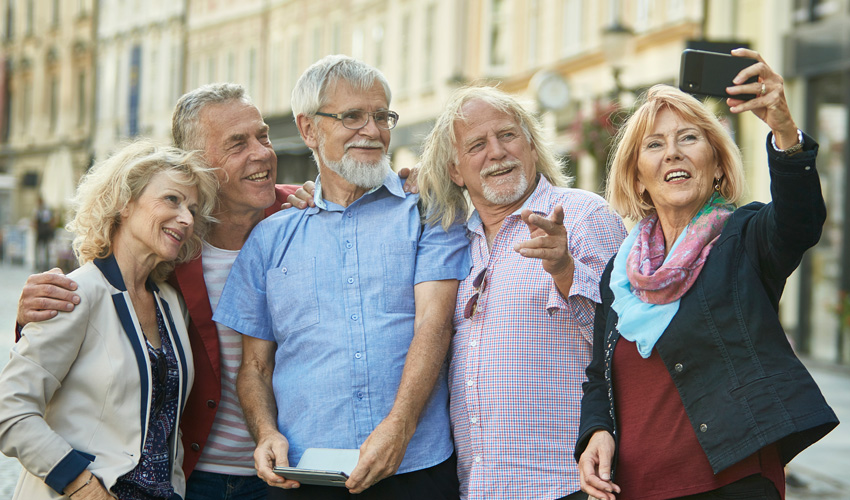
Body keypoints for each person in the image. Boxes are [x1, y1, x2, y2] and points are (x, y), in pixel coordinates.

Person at [576, 48, 839, 500]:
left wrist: (783, 130)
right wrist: (596, 431)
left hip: (731, 485)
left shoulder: (745, 238)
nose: (672, 153)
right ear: (638, 177)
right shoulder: (620, 271)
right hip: (634, 488)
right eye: (654, 145)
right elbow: (601, 375)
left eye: (689, 139)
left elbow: (800, 220)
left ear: (717, 164)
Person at [212, 54, 469, 500]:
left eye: (381, 116)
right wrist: (266, 432)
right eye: (352, 116)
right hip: (303, 477)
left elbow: (434, 327)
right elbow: (254, 366)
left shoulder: (428, 211)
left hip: (415, 468)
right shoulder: (270, 238)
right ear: (309, 128)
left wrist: (398, 427)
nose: (372, 131)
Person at [416, 85, 626, 499]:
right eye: (477, 144)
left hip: (568, 484)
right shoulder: (455, 240)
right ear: (456, 171)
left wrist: (565, 270)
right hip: (478, 487)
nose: (496, 152)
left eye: (508, 135)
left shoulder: (584, 215)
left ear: (531, 145)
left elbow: (623, 345)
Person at [0, 140, 218, 499]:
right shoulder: (75, 293)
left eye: (192, 209)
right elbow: (11, 409)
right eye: (172, 200)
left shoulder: (171, 304)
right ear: (124, 203)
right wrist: (81, 484)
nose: (187, 218)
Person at [33, 196, 56, 271]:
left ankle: (43, 264)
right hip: (43, 232)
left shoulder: (42, 210)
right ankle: (42, 264)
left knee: (43, 248)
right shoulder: (41, 210)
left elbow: (35, 221)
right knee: (42, 248)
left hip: (43, 232)